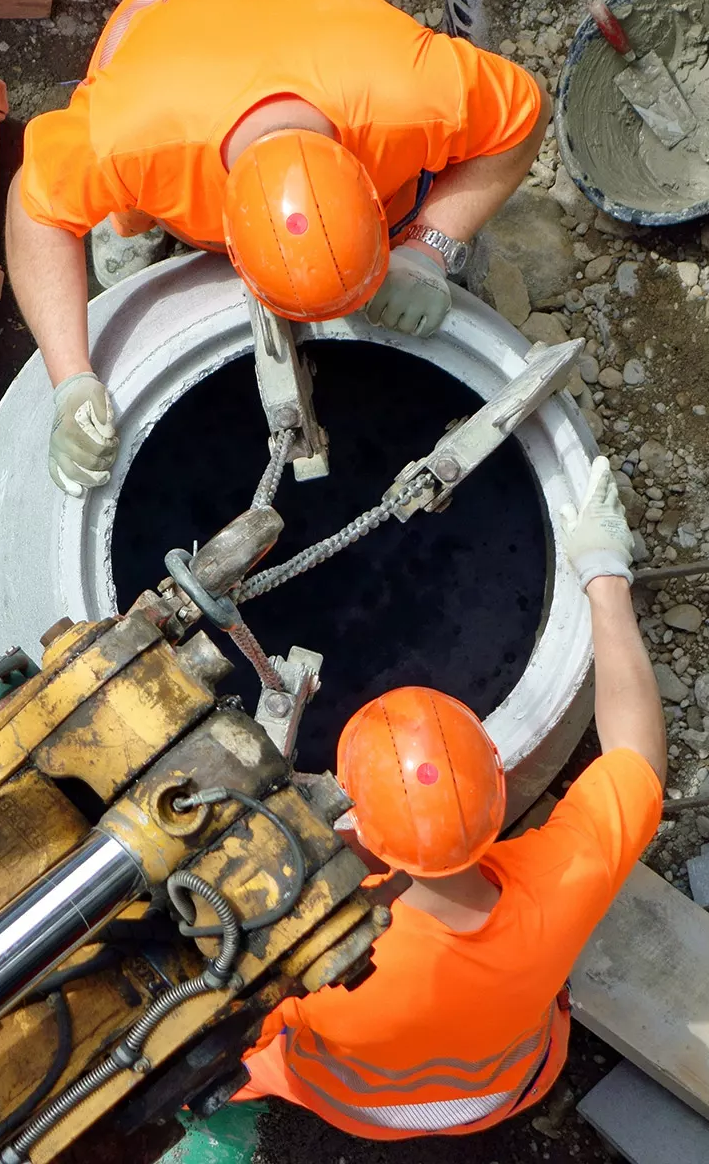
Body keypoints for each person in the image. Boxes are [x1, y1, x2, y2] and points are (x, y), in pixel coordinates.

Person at [7, 0, 551, 497]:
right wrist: (72, 379)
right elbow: (33, 208)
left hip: (318, 10)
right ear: (226, 236)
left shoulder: (417, 98)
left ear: (367, 181)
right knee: (128, 220)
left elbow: (527, 113)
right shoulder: (126, 141)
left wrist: (429, 246)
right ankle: (150, 223)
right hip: (170, 12)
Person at [232, 454, 663, 1139]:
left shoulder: (307, 959)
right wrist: (605, 573)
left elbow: (203, 1047)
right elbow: (637, 758)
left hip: (354, 1108)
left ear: (357, 827)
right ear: (499, 787)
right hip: (505, 1087)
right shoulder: (557, 893)